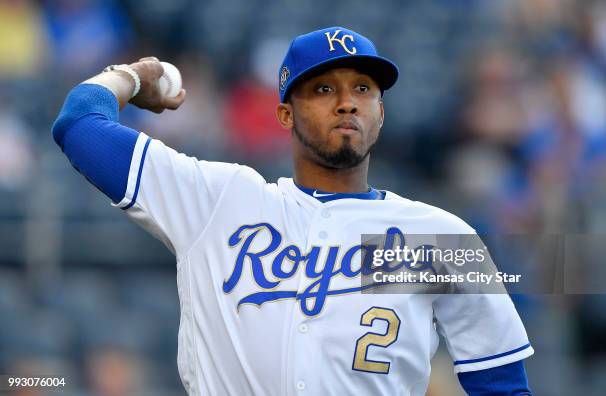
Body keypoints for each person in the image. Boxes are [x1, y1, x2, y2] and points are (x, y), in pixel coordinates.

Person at [52, 27, 533, 395]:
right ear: (285, 114)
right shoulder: (219, 200)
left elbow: (502, 382)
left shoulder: (444, 237)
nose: (347, 103)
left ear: (381, 113)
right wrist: (134, 76)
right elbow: (79, 124)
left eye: (363, 88)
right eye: (323, 89)